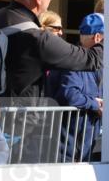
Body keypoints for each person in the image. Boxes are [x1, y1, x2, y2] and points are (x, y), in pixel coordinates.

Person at [44, 13, 104, 161]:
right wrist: (96, 104)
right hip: (69, 151)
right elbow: (69, 94)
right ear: (97, 38)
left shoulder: (101, 65)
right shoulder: (73, 62)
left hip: (87, 146)